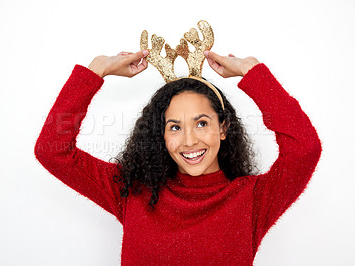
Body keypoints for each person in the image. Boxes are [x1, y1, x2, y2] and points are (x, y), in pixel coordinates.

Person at [34, 49, 322, 265]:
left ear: (223, 127)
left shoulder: (252, 199)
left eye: (202, 123)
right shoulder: (132, 191)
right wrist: (94, 71)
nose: (189, 140)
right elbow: (53, 149)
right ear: (161, 134)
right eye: (175, 127)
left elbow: (305, 148)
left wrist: (254, 73)